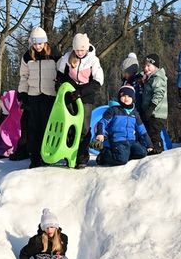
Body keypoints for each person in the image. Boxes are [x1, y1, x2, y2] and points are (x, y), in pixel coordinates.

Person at [55, 32, 104, 168]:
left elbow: (98, 81)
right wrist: (63, 86)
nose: (80, 52)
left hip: (85, 96)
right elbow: (60, 75)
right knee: (70, 126)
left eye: (82, 50)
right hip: (70, 96)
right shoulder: (67, 57)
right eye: (77, 50)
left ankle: (82, 157)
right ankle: (69, 155)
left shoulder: (93, 60)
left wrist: (80, 92)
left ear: (87, 48)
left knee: (83, 128)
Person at [17, 26, 58, 167]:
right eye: (35, 44)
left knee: (48, 126)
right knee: (33, 128)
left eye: (40, 43)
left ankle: (48, 155)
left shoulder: (54, 53)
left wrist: (60, 87)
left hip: (50, 95)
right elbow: (24, 76)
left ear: (45, 42)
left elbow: (62, 72)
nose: (37, 46)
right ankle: (35, 158)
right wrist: (22, 93)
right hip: (33, 95)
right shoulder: (27, 56)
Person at [92, 86, 152, 167]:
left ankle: (124, 154)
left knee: (142, 153)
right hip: (118, 140)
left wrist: (149, 145)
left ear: (133, 98)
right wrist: (100, 133)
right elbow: (102, 122)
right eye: (123, 96)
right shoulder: (114, 110)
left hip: (131, 141)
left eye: (129, 96)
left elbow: (142, 130)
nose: (126, 98)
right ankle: (104, 155)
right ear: (119, 97)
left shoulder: (135, 113)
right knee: (121, 159)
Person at [140, 53, 169, 153]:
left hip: (157, 112)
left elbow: (159, 93)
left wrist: (151, 107)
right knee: (150, 131)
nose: (146, 68)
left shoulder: (157, 78)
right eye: (145, 65)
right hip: (152, 112)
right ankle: (152, 148)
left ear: (155, 66)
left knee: (154, 132)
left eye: (149, 66)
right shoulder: (151, 78)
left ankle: (158, 148)